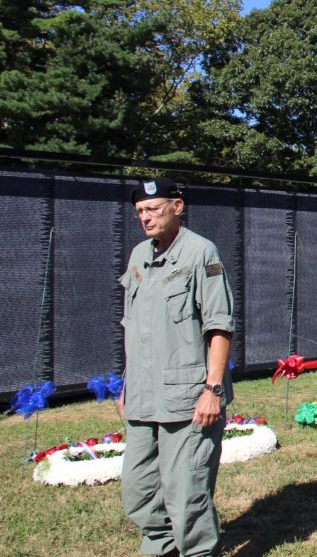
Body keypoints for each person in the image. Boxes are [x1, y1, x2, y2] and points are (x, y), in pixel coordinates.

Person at [118, 177, 234, 557]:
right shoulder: (138, 256)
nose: (145, 218)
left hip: (188, 397)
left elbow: (219, 326)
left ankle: (198, 551)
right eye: (140, 212)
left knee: (187, 492)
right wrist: (125, 384)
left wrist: (212, 390)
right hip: (141, 394)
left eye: (153, 209)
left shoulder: (201, 252)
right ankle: (160, 545)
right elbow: (131, 325)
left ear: (177, 207)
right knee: (138, 489)